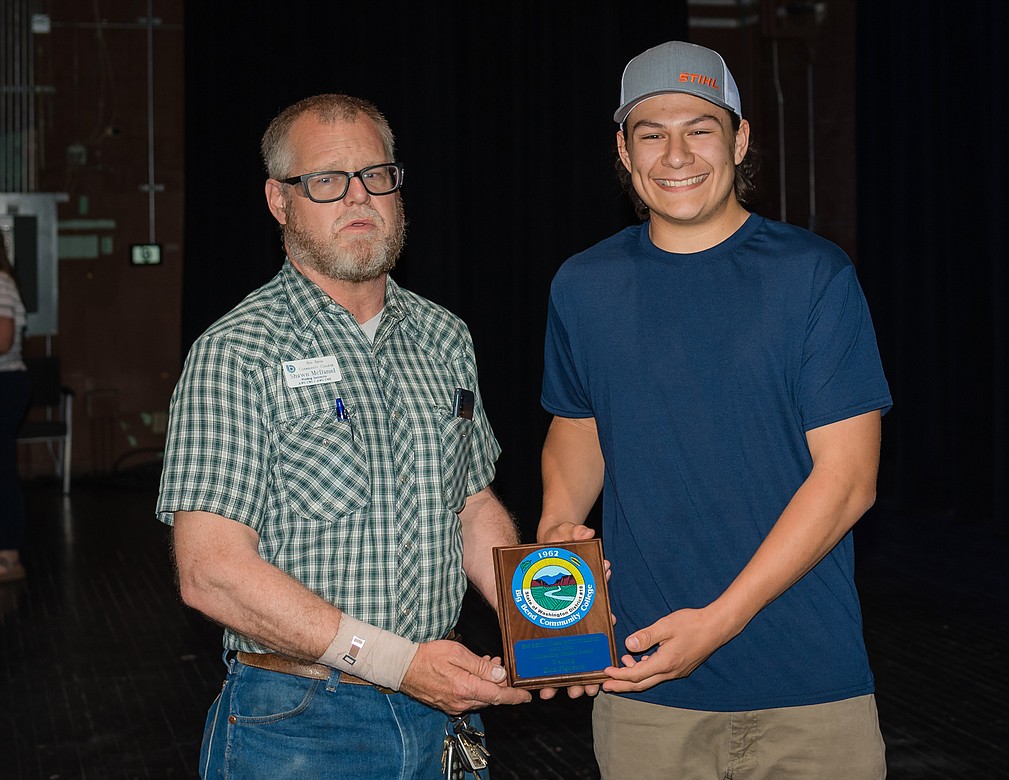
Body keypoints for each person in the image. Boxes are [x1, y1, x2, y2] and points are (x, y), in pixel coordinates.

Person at [537, 41, 892, 779]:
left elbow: (850, 480)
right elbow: (578, 427)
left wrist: (717, 624)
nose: (676, 154)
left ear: (740, 137)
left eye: (699, 127)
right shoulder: (583, 285)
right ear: (623, 150)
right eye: (651, 132)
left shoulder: (813, 276)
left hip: (808, 688)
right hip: (643, 689)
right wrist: (557, 529)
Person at [156, 93, 530, 779]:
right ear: (280, 200)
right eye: (326, 181)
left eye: (375, 175)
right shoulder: (237, 352)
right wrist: (398, 664)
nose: (359, 197)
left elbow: (471, 506)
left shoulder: (445, 338)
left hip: (444, 707)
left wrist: (545, 622)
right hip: (299, 723)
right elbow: (210, 572)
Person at [0, 236, 30, 584]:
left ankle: (9, 555)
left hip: (5, 384)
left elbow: (4, 340)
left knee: (3, 471)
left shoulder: (2, 282)